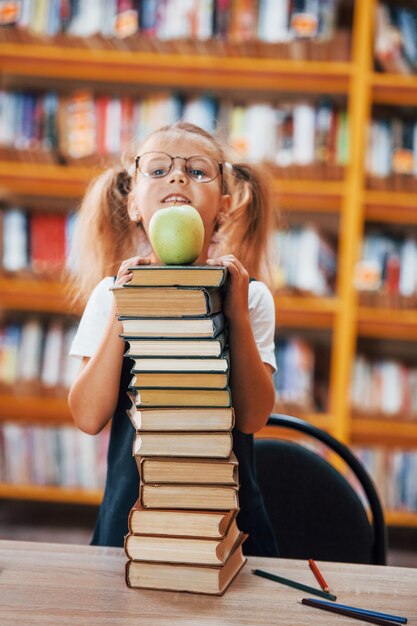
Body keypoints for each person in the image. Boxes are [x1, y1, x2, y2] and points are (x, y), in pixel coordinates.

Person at [68, 121, 279, 557]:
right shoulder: (110, 296)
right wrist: (121, 315)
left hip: (228, 519)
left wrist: (235, 314)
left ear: (224, 205)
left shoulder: (250, 295)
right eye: (158, 169)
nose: (179, 177)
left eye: (199, 171)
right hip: (131, 516)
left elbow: (254, 417)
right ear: (132, 204)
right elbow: (88, 417)